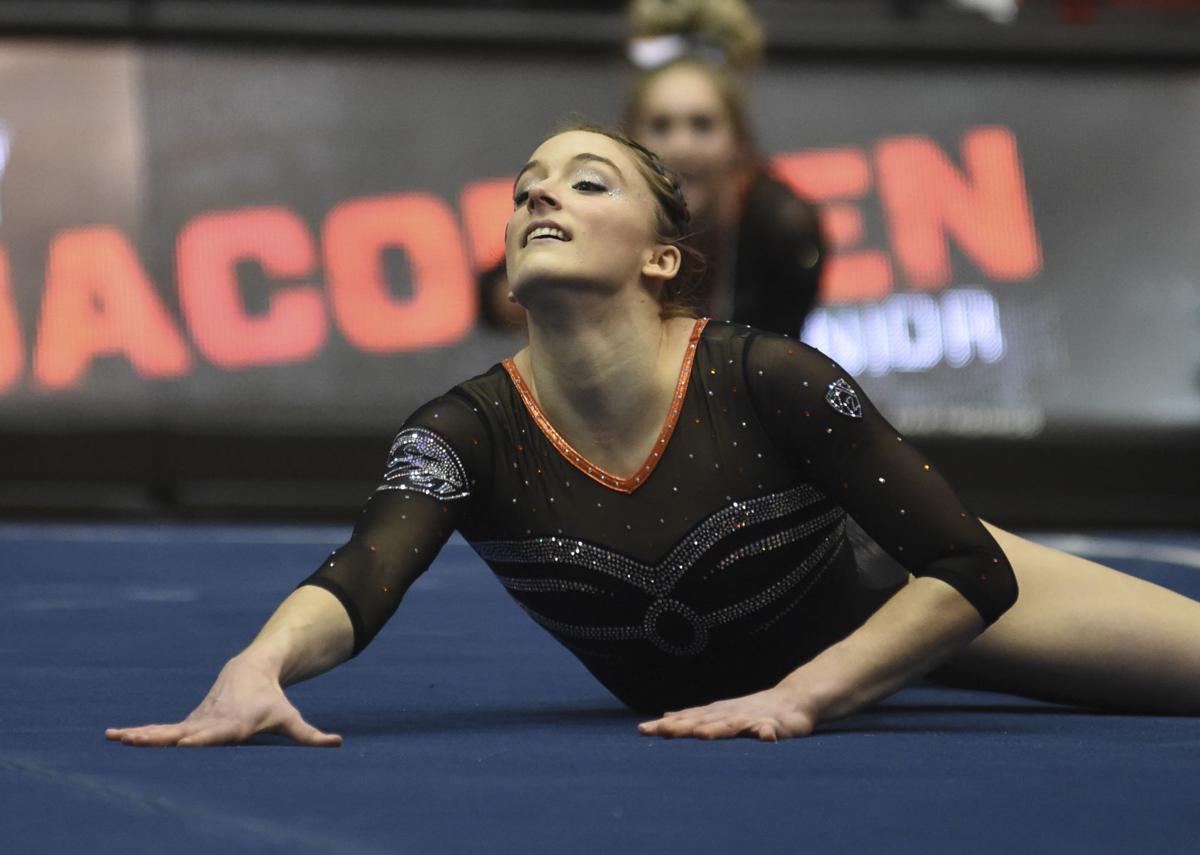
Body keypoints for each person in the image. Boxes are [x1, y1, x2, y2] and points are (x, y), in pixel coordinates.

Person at [108, 127, 1200, 748]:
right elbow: (358, 579)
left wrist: (806, 695)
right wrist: (259, 665)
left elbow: (968, 564)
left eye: (588, 183)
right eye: (528, 188)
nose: (542, 195)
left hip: (898, 602)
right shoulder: (466, 432)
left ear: (662, 259)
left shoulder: (766, 377)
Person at [480, 4, 824, 337]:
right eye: (660, 126)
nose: (682, 147)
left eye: (702, 125)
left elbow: (774, 369)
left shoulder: (784, 229)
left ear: (739, 141)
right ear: (630, 141)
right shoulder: (597, 203)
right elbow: (495, 299)